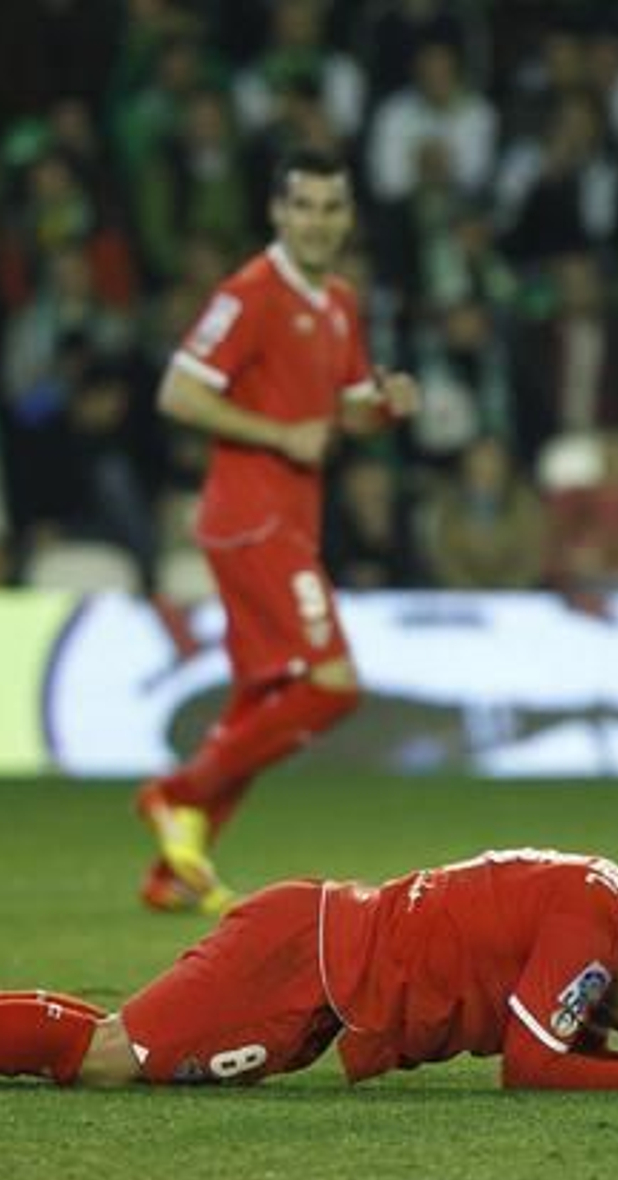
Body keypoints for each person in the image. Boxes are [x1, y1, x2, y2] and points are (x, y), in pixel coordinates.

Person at [0, 848, 618, 1093]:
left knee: (115, 1048)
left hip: (323, 976)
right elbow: (529, 1064)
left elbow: (539, 1020)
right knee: (107, 1057)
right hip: (304, 956)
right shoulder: (594, 926)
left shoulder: (603, 905)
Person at [135, 149, 418, 915]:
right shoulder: (250, 293)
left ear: (347, 216)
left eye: (332, 207)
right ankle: (173, 794)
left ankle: (174, 866)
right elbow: (181, 392)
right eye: (305, 207)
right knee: (331, 686)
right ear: (277, 213)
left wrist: (385, 404)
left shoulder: (340, 302)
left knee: (259, 703)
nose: (318, 221)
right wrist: (279, 432)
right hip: (251, 516)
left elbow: (350, 412)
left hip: (289, 519)